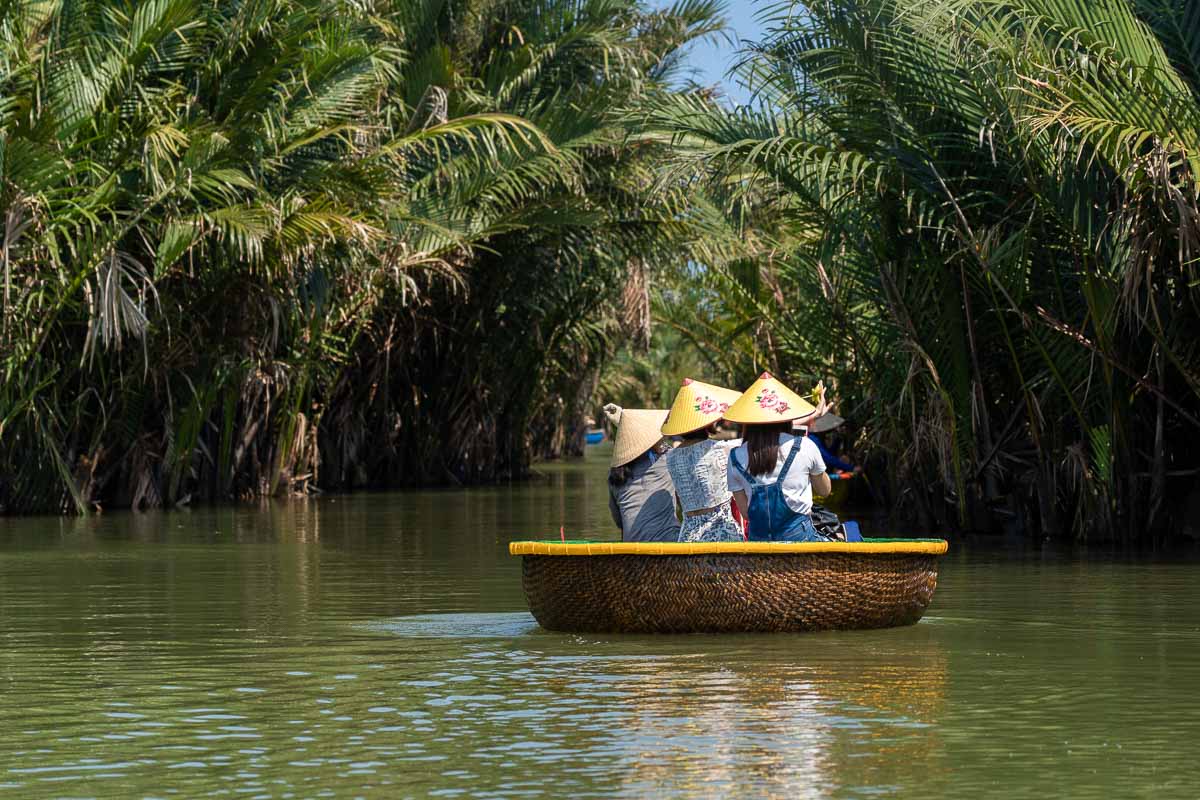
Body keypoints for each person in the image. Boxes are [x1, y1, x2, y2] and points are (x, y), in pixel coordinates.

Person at [725, 372, 833, 542]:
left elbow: (746, 513)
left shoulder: (735, 457)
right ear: (787, 415)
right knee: (843, 532)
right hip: (801, 542)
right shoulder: (805, 446)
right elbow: (825, 491)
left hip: (759, 545)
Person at [660, 379, 745, 543]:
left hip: (687, 537)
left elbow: (680, 501)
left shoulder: (670, 457)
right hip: (722, 533)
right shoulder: (721, 448)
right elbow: (750, 443)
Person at [604, 404, 680, 542]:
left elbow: (619, 521)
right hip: (668, 546)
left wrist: (624, 423)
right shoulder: (667, 460)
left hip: (632, 551)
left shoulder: (614, 475)